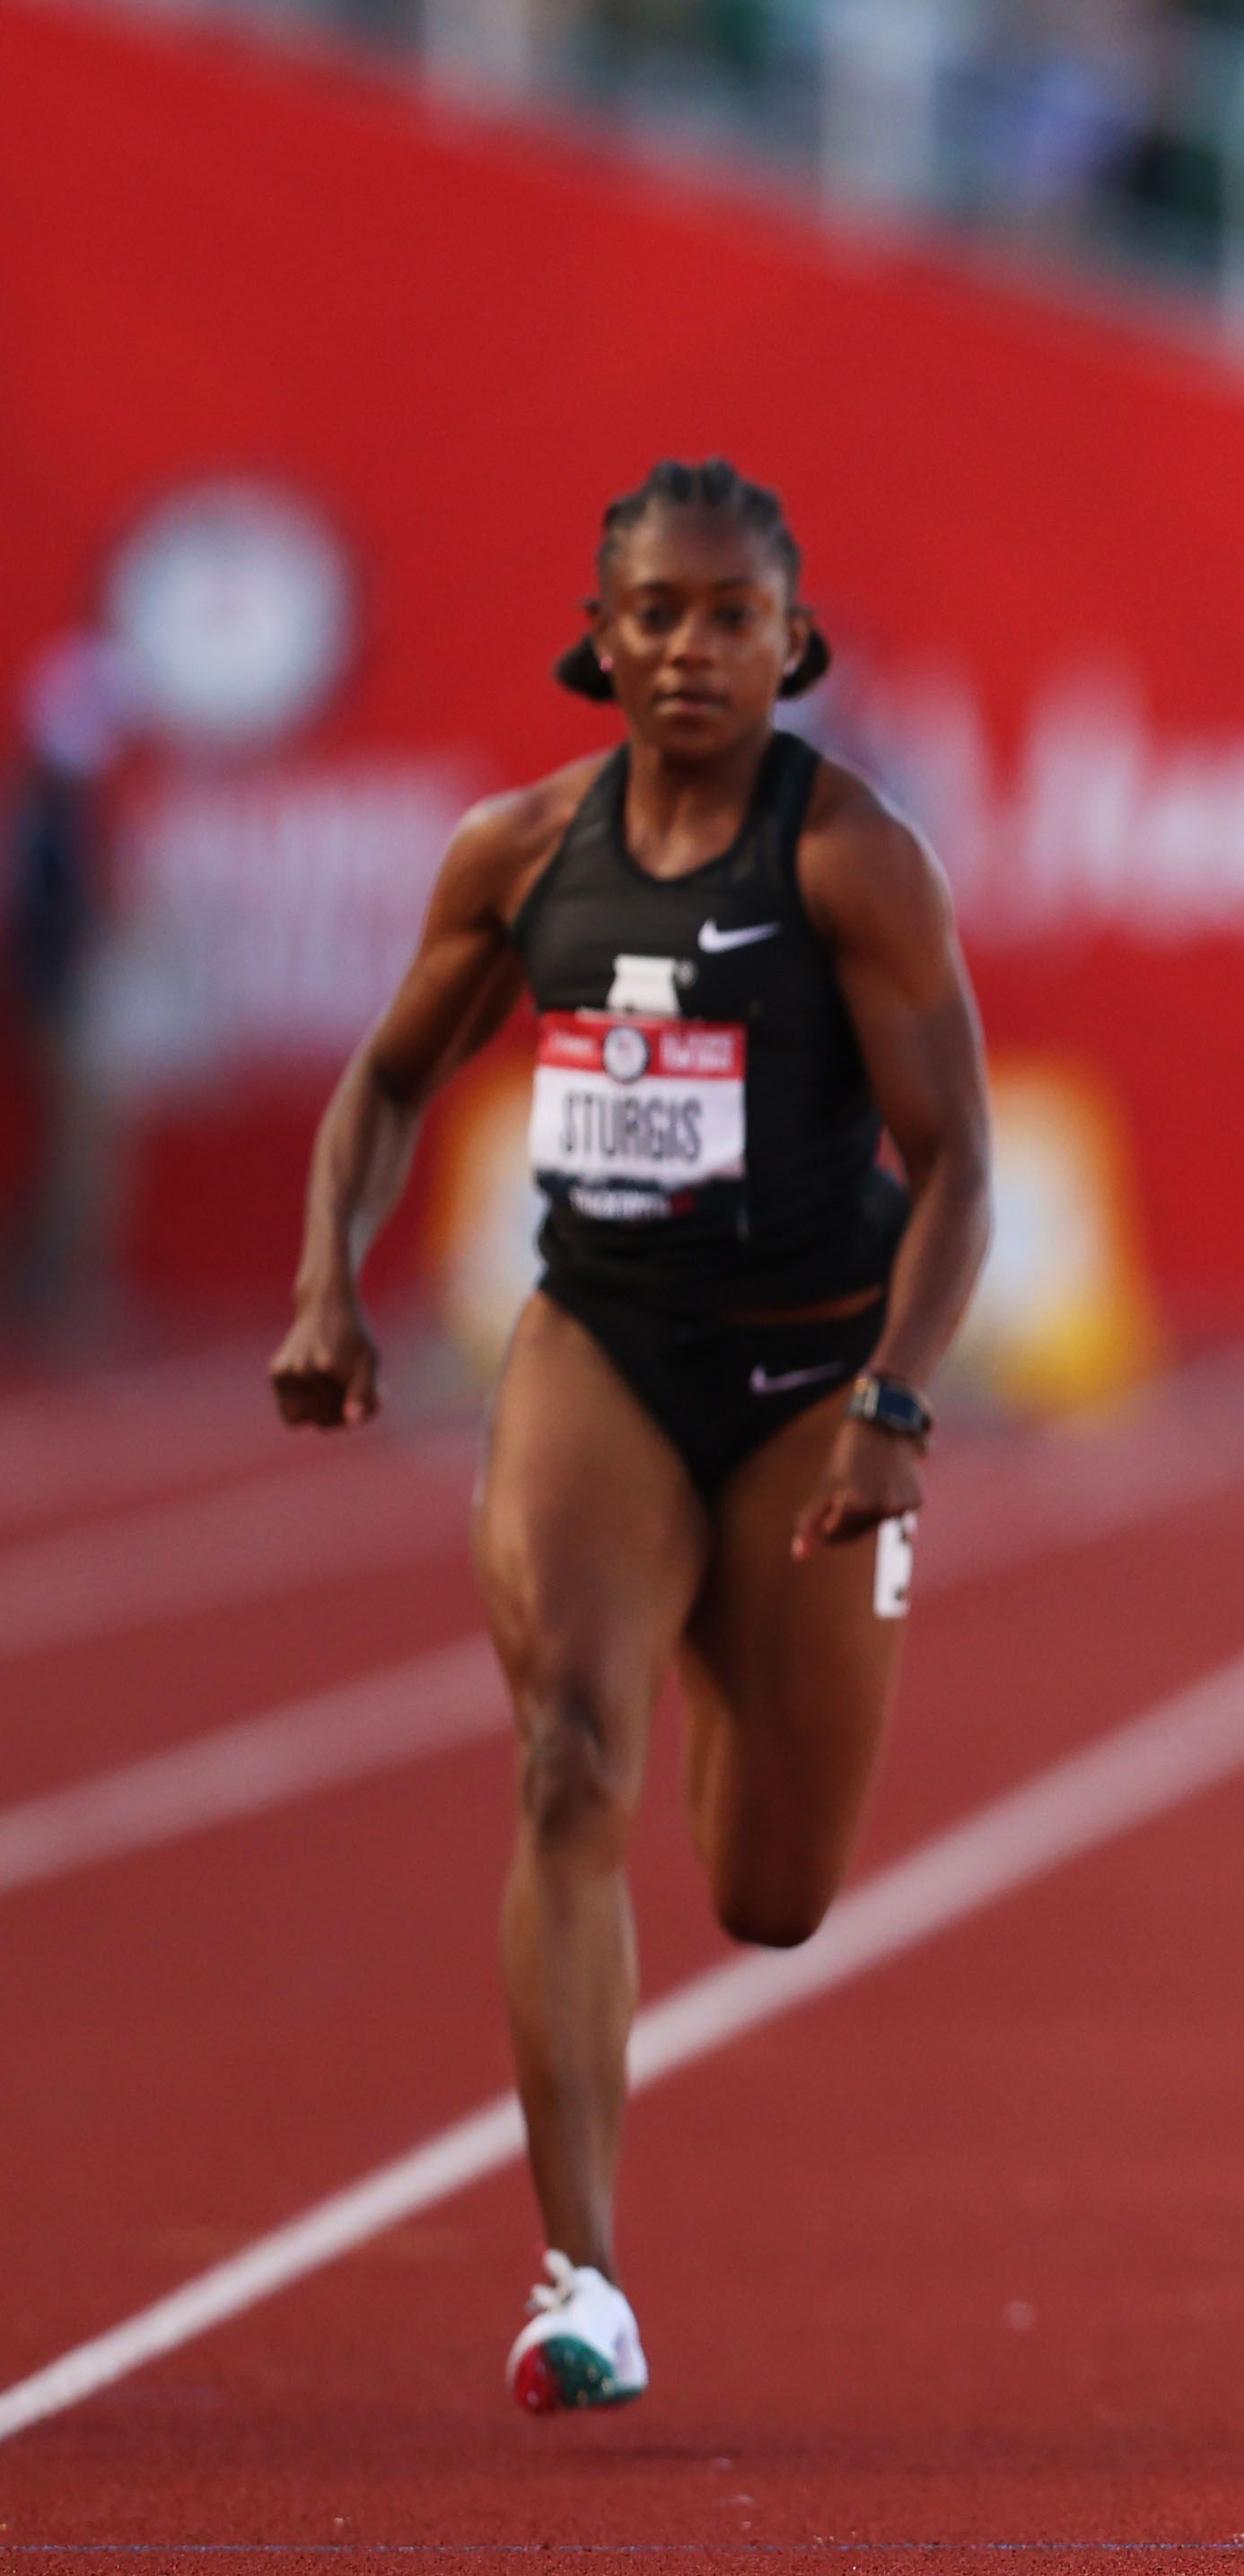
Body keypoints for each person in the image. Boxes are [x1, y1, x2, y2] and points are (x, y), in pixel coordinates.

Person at [269, 460, 994, 2414]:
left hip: (813, 1382)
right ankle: (579, 2275)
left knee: (772, 1894)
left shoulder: (854, 860)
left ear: (792, 640)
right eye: (654, 612)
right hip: (601, 1349)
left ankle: (727, 1638)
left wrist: (899, 1410)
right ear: (596, 637)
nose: (688, 646)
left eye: (727, 615)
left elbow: (961, 1173)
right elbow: (387, 1078)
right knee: (563, 1756)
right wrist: (329, 1279)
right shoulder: (516, 857)